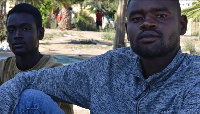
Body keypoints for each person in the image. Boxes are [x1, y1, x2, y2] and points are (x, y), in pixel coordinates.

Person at [2, 0, 200, 113]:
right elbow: (31, 79)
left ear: (182, 25)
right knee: (30, 98)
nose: (147, 24)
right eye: (137, 19)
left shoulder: (194, 76)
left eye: (160, 16)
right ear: (126, 29)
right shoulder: (109, 66)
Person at [0, 3, 73, 114]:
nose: (17, 35)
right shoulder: (2, 68)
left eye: (25, 28)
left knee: (31, 98)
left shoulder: (54, 72)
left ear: (40, 33)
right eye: (11, 30)